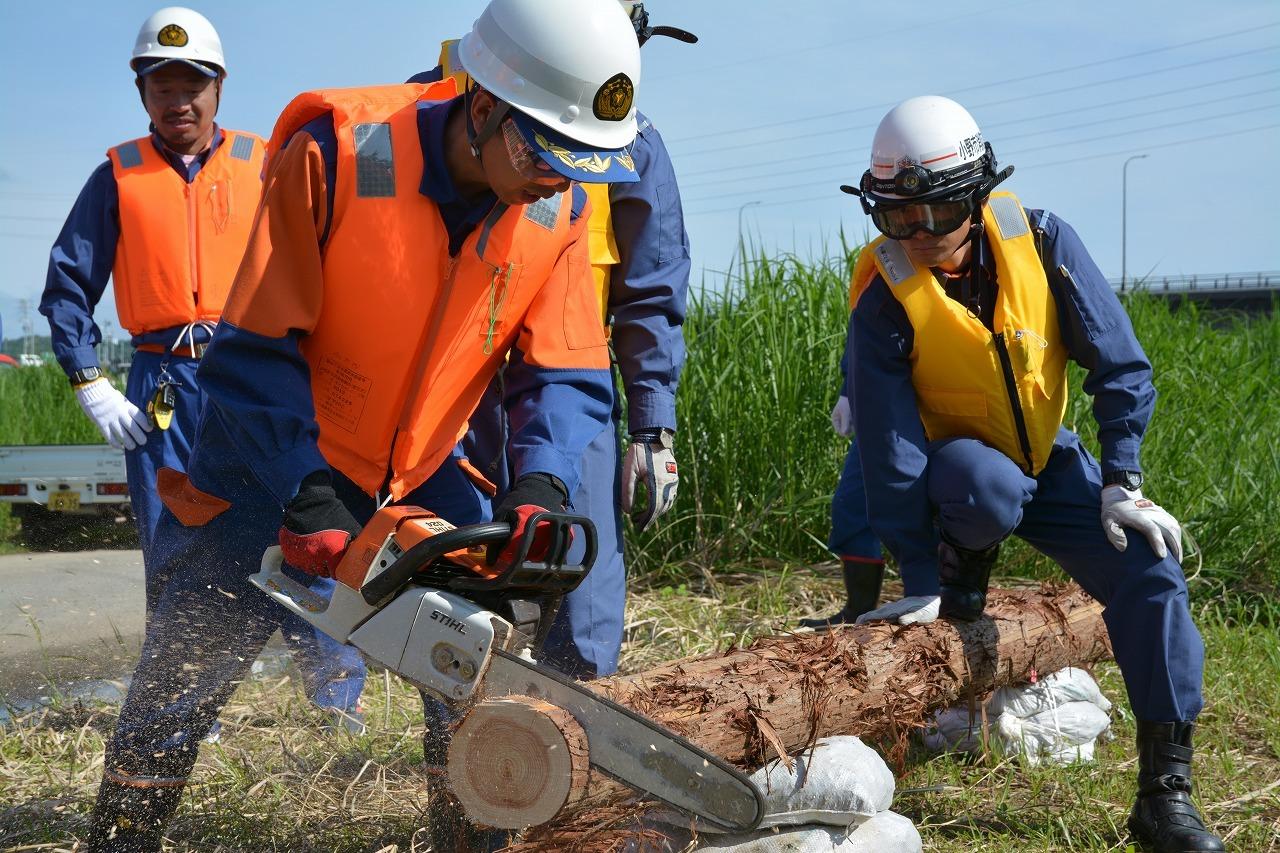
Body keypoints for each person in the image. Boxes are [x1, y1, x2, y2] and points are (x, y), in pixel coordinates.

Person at [83, 0, 641, 849]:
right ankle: (120, 835)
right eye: (544, 151)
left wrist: (541, 480)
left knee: (474, 671)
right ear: (483, 105)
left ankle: (470, 833)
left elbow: (562, 369)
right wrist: (304, 494)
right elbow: (256, 349)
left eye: (580, 162)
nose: (556, 177)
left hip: (415, 467)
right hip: (272, 462)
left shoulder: (558, 209)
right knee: (183, 667)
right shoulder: (338, 155)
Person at [840, 95, 1223, 852]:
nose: (918, 235)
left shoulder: (1044, 243)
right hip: (954, 471)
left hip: (1050, 458)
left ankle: (1165, 793)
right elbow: (888, 443)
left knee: (1151, 570)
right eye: (897, 218)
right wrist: (919, 572)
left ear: (978, 192)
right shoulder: (885, 291)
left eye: (937, 212)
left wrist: (1123, 477)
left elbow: (1120, 365)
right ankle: (961, 559)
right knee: (990, 490)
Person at [37, 6, 367, 727]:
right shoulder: (115, 178)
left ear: (219, 87)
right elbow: (68, 287)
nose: (177, 100)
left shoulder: (268, 163)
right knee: (177, 547)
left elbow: (325, 266)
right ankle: (186, 709)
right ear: (142, 94)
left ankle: (336, 699)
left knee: (302, 523)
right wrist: (86, 377)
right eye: (161, 87)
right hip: (163, 385)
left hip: (260, 378)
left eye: (193, 85)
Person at [409, 0, 694, 681]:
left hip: (571, 383)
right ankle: (462, 756)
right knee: (458, 589)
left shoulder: (636, 143)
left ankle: (574, 742)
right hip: (448, 391)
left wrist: (653, 427)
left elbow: (651, 287)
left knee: (579, 583)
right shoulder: (427, 104)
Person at [798, 336, 886, 628]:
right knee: (851, 504)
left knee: (932, 499)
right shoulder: (865, 287)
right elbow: (864, 330)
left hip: (922, 393)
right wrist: (849, 391)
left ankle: (941, 602)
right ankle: (857, 614)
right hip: (874, 397)